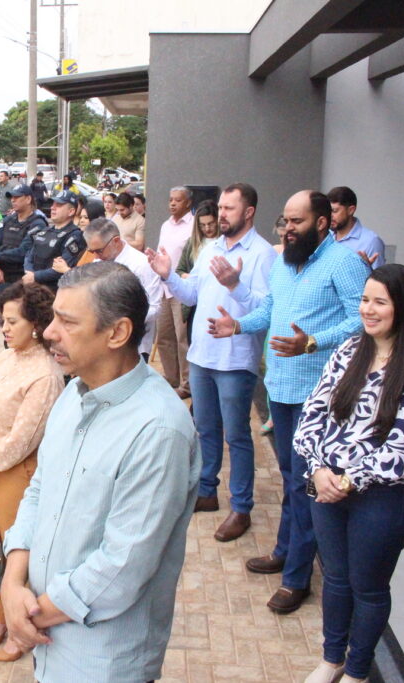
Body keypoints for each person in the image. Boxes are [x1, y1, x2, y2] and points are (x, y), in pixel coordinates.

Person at [0, 261, 201, 683]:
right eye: (53, 316)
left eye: (67, 322)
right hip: (49, 642)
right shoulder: (73, 393)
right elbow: (40, 490)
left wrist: (29, 615)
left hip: (101, 661)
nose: (48, 331)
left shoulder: (158, 429)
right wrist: (12, 579)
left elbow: (123, 564)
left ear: (117, 333)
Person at [210, 190, 369, 614]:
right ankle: (285, 551)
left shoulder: (345, 262)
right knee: (290, 479)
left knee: (305, 486)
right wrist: (238, 325)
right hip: (279, 389)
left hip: (319, 397)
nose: (288, 229)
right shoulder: (286, 262)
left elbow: (362, 320)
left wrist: (314, 342)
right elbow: (271, 312)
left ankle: (297, 578)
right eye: (285, 221)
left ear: (322, 223)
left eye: (297, 221)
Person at [294, 264, 404, 683]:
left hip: (382, 496)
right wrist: (319, 468)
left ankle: (358, 672)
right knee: (336, 579)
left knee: (368, 586)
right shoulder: (348, 351)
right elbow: (312, 415)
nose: (368, 310)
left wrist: (348, 479)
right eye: (365, 300)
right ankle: (332, 659)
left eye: (380, 302)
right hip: (325, 485)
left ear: (403, 308)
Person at [147, 183, 276, 541]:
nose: (221, 214)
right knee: (205, 429)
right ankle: (207, 491)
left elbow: (266, 313)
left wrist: (236, 286)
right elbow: (191, 294)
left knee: (236, 436)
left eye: (229, 209)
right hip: (202, 356)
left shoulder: (263, 255)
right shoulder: (209, 249)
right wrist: (168, 274)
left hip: (235, 360)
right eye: (220, 207)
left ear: (248, 212)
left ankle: (241, 508)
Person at [0, 281, 63, 661]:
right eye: (2, 321)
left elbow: (23, 439)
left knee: (17, 551)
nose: (4, 329)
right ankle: (0, 616)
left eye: (11, 322)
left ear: (35, 325)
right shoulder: (6, 357)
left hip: (15, 472)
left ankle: (23, 631)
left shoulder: (46, 373)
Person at [84, 218, 164, 360]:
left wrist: (120, 321)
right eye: (92, 251)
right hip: (102, 344)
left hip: (133, 347)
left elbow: (155, 308)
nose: (96, 256)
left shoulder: (141, 265)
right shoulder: (99, 261)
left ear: (115, 241)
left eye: (99, 251)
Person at [156, 186, 196, 397]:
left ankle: (187, 384)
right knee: (164, 336)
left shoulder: (193, 226)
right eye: (170, 199)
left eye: (177, 200)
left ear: (188, 203)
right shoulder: (165, 225)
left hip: (181, 289)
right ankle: (171, 377)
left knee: (182, 339)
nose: (172, 203)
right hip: (164, 288)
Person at [0, 184, 47, 294]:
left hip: (21, 281)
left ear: (28, 199)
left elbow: (22, 252)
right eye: (12, 198)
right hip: (1, 277)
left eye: (17, 197)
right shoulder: (5, 220)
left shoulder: (38, 224)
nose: (13, 201)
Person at [21, 190, 86, 292]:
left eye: (59, 205)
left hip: (54, 292)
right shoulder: (45, 231)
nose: (52, 207)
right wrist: (29, 273)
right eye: (53, 204)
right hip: (34, 288)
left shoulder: (75, 235)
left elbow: (61, 268)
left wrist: (35, 276)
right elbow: (29, 255)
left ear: (71, 211)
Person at [175, 201, 220, 340]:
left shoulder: (224, 241)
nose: (207, 228)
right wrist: (187, 276)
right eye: (202, 225)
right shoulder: (192, 243)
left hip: (217, 301)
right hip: (195, 301)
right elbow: (179, 270)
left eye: (211, 223)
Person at [328, 186, 385, 268]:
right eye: (328, 210)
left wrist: (367, 269)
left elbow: (380, 279)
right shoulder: (326, 237)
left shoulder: (370, 241)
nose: (330, 216)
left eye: (334, 211)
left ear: (351, 210)